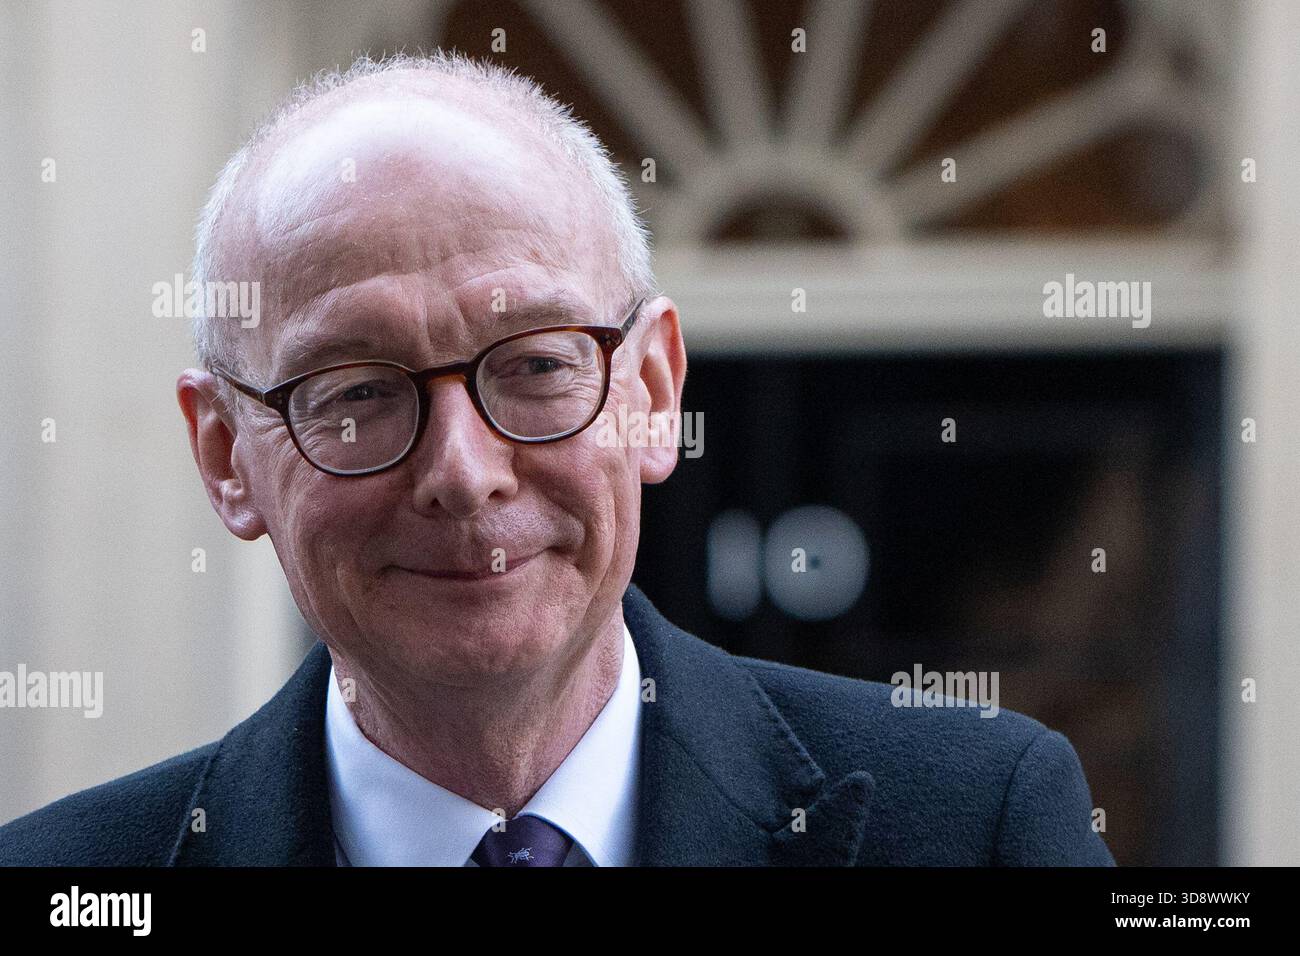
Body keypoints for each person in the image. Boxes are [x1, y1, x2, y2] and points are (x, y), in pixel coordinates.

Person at [0, 52, 1113, 867]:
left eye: (534, 366)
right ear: (226, 453)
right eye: (356, 393)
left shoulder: (976, 823)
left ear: (654, 391)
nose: (463, 471)